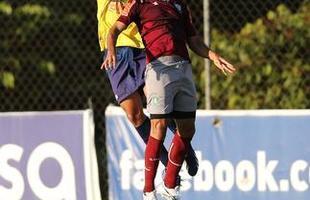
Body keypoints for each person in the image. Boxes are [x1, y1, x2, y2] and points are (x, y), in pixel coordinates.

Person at [102, 0, 236, 199]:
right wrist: (110, 47)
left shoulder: (179, 6)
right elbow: (115, 29)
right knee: (158, 124)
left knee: (188, 129)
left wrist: (213, 56)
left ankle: (170, 186)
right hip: (158, 67)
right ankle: (148, 191)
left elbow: (194, 40)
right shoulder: (140, 4)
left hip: (183, 69)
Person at [97, 0, 199, 179]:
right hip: (114, 47)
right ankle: (168, 164)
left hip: (141, 44)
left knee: (160, 106)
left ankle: (186, 149)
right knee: (133, 114)